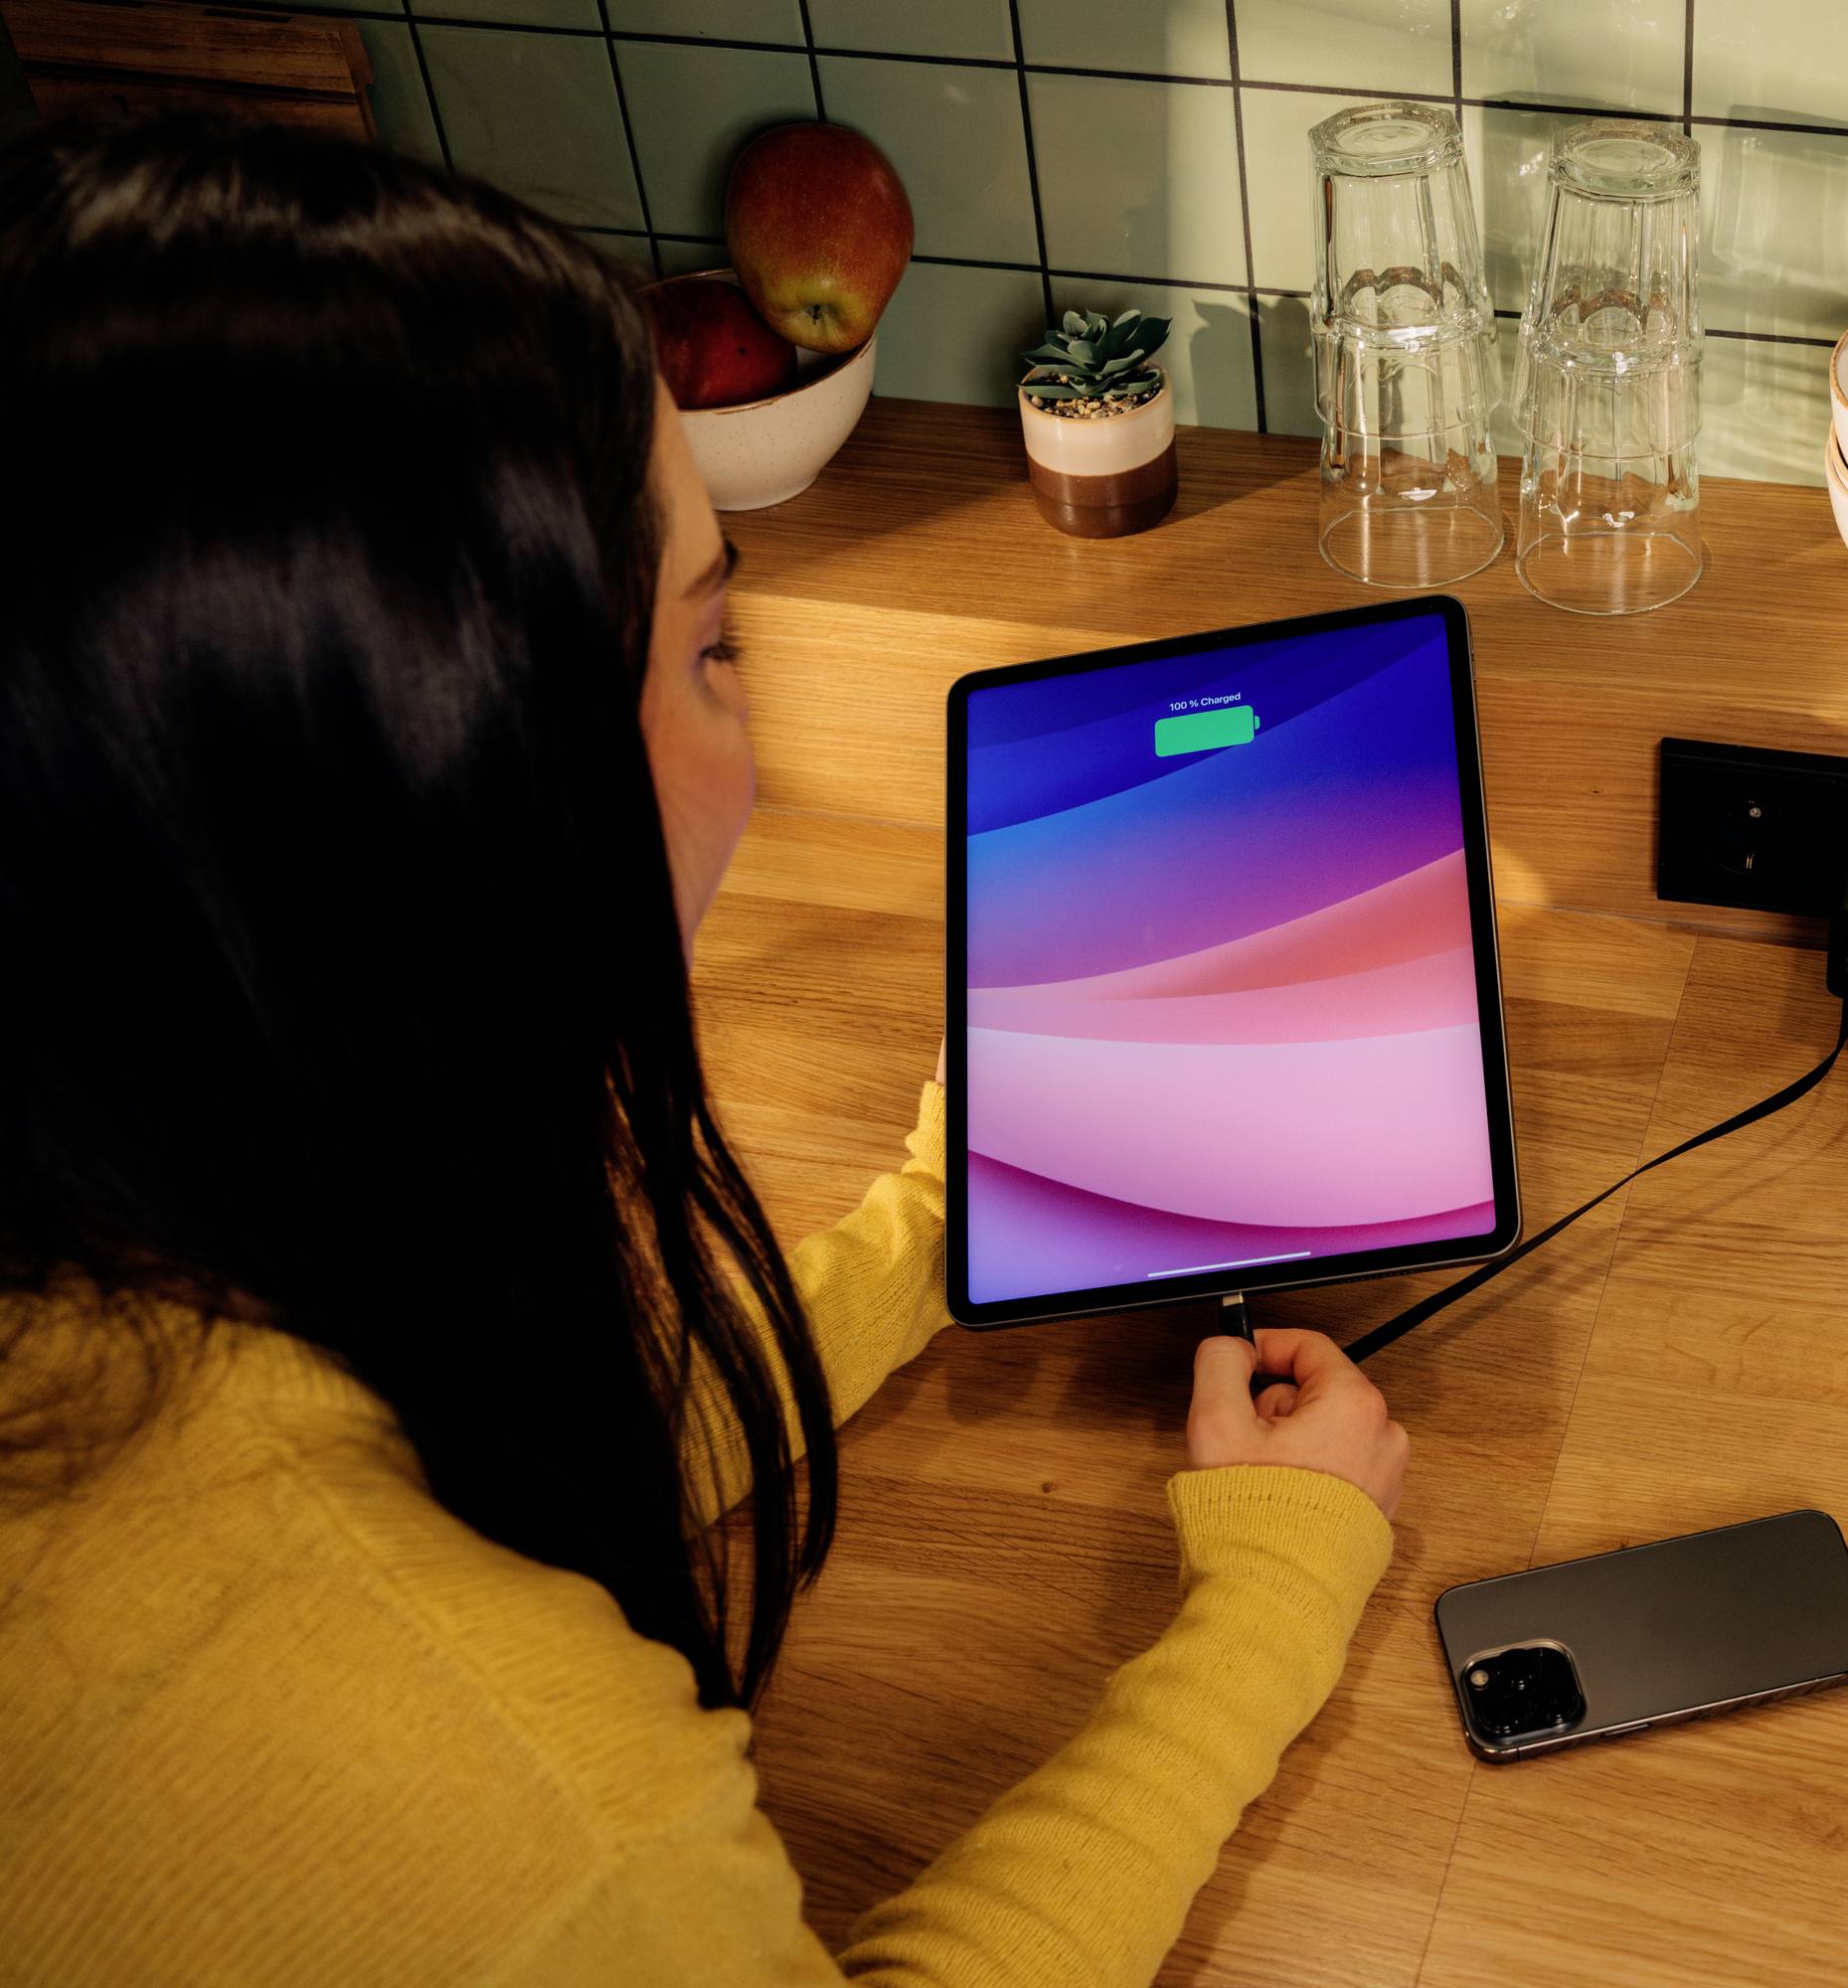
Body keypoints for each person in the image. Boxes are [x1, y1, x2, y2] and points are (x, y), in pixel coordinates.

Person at [0, 114, 1409, 1986]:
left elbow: (453, 1473)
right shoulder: (531, 1825)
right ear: (469, 800)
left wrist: (928, 1228)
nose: (735, 731)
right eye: (711, 646)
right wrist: (1273, 1594)